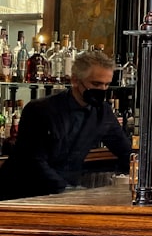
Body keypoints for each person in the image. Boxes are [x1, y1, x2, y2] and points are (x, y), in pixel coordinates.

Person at [0, 49, 131, 200]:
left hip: (65, 194)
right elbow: (33, 160)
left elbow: (125, 151)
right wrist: (67, 190)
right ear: (75, 80)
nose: (102, 90)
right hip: (22, 193)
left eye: (107, 85)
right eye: (96, 84)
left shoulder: (103, 112)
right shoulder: (40, 109)